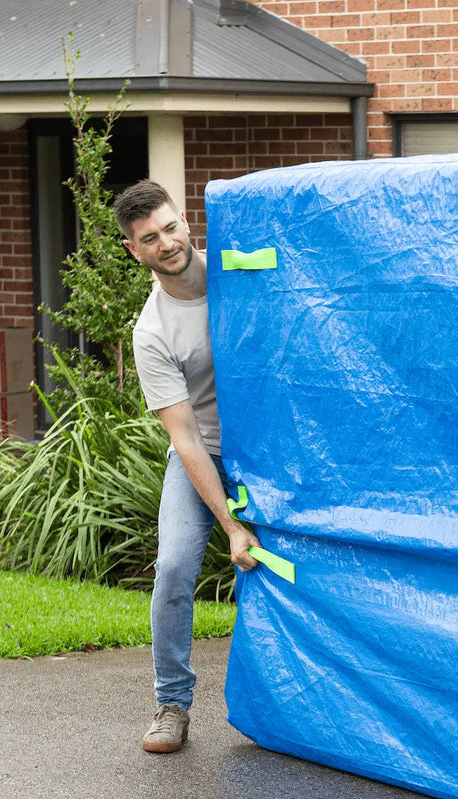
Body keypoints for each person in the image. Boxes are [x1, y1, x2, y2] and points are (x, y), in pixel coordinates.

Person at [113, 179, 259, 754]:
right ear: (134, 250)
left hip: (277, 446)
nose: (167, 243)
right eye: (150, 238)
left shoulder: (243, 272)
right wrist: (230, 526)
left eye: (170, 227)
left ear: (184, 220)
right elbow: (186, 437)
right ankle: (173, 702)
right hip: (208, 449)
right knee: (173, 564)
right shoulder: (151, 333)